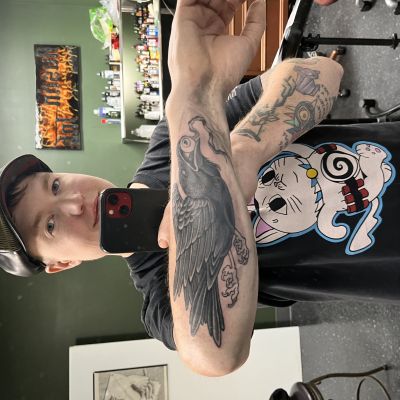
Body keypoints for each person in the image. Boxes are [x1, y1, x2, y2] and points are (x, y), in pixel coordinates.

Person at [0, 0, 347, 377]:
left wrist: (242, 148)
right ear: (61, 264)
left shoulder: (172, 141)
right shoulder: (161, 299)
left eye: (55, 185)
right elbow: (217, 355)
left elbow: (323, 72)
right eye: (50, 225)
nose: (73, 203)